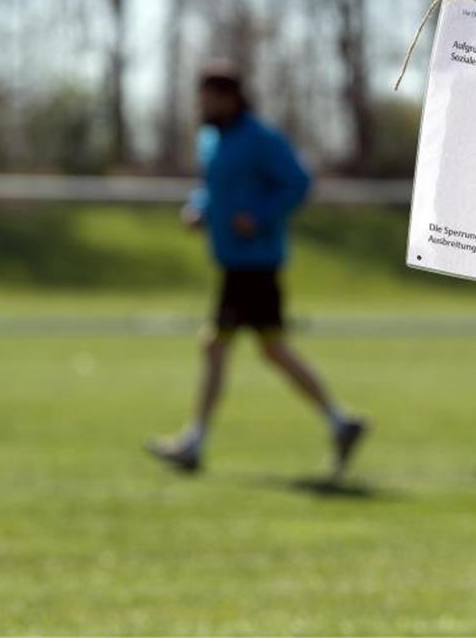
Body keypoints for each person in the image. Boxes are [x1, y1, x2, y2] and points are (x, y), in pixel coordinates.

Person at [148, 61, 367, 475]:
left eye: (211, 97)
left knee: (219, 346)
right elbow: (215, 189)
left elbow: (299, 182)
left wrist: (259, 216)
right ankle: (340, 422)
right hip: (231, 263)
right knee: (270, 350)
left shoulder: (261, 138)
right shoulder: (210, 139)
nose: (204, 105)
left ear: (231, 98)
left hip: (257, 264)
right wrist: (199, 209)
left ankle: (194, 442)